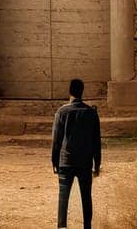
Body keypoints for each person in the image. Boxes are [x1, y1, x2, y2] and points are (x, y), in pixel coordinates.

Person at [50, 78, 102, 229]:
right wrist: (97, 164)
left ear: (70, 91)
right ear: (82, 91)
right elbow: (96, 142)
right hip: (85, 162)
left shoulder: (61, 112)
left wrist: (54, 162)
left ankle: (62, 227)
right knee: (86, 197)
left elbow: (56, 141)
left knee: (63, 198)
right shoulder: (91, 113)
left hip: (65, 162)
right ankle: (87, 226)